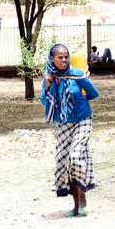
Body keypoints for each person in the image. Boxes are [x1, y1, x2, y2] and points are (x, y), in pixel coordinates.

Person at [40, 43, 99, 217]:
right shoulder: (49, 77)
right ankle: (75, 205)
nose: (64, 59)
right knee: (64, 162)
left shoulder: (77, 74)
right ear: (52, 59)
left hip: (82, 120)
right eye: (60, 57)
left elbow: (94, 94)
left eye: (66, 56)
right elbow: (45, 101)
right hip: (62, 124)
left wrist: (80, 94)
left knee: (76, 156)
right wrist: (48, 85)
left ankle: (82, 198)